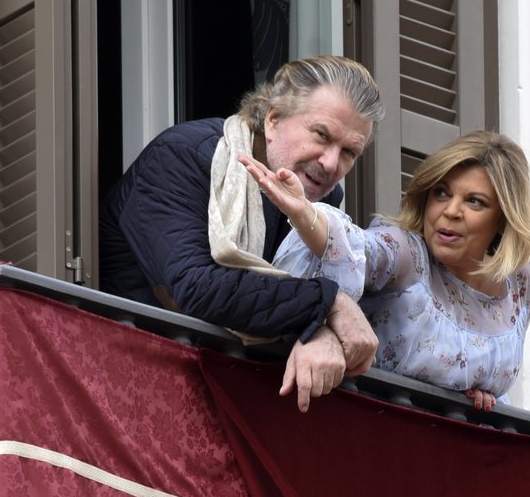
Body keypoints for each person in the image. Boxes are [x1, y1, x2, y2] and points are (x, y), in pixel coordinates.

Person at [99, 56, 385, 412]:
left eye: (349, 152)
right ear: (274, 118)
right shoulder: (182, 157)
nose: (330, 163)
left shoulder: (322, 204)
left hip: (236, 402)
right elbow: (197, 287)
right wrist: (327, 306)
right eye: (321, 135)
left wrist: (321, 329)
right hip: (130, 391)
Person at [240, 130, 530, 412]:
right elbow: (355, 248)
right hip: (361, 436)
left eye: (474, 202)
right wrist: (305, 213)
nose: (450, 211)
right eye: (441, 193)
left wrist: (477, 402)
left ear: (503, 219)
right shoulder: (406, 252)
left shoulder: (519, 283)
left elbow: (494, 388)